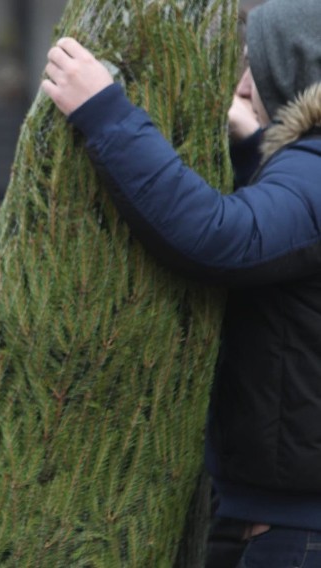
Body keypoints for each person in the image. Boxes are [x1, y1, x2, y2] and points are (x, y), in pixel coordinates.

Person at [41, 0, 321, 566]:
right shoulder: (305, 165)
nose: (243, 86)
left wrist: (104, 111)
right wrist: (250, 151)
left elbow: (223, 237)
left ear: (291, 70)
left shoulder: (315, 168)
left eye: (254, 67)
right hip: (264, 511)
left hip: (296, 529)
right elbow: (281, 241)